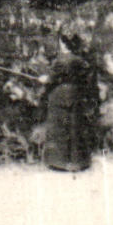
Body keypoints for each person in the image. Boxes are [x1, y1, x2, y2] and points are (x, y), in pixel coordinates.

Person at [41, 32, 99, 172]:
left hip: (59, 96)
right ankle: (78, 162)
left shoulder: (61, 61)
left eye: (61, 42)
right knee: (75, 127)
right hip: (76, 95)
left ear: (65, 44)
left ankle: (59, 162)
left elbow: (51, 78)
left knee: (59, 128)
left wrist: (44, 79)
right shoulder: (81, 61)